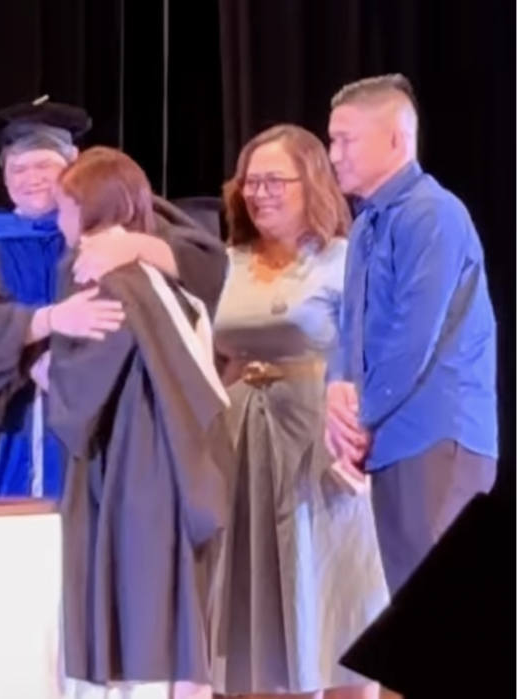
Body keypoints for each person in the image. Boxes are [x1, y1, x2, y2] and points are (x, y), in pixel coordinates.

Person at [0, 98, 229, 501]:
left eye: (44, 165)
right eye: (18, 168)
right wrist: (47, 326)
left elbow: (206, 264)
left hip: (107, 411)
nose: (31, 178)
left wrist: (136, 245)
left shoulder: (114, 214)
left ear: (73, 164)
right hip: (11, 420)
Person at [43, 146, 233, 699]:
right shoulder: (152, 270)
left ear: (93, 208)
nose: (59, 221)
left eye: (65, 208)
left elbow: (81, 385)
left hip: (136, 455)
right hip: (177, 452)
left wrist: (41, 366)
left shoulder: (101, 275)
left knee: (142, 604)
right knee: (181, 608)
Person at [210, 125, 388, 699]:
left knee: (330, 586)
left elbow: (380, 354)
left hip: (319, 437)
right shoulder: (229, 261)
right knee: (257, 595)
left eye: (273, 181)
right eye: (249, 182)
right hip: (241, 440)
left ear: (310, 182)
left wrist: (366, 435)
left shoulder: (345, 259)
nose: (258, 193)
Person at [326, 74, 499, 598]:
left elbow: (413, 335)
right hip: (392, 438)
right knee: (409, 603)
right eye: (332, 140)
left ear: (396, 140)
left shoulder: (434, 213)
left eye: (346, 141)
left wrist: (359, 417)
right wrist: (337, 389)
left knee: (443, 610)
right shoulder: (365, 224)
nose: (333, 156)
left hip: (438, 436)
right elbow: (350, 324)